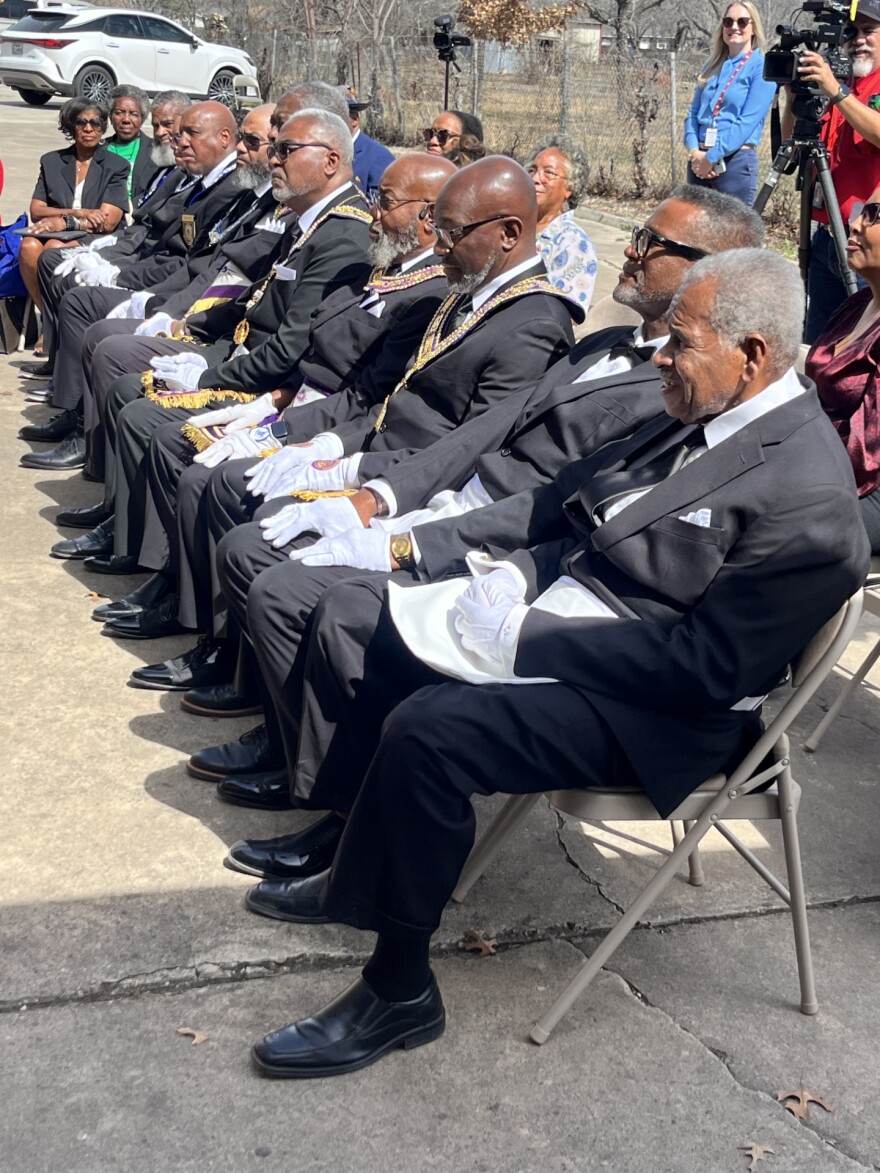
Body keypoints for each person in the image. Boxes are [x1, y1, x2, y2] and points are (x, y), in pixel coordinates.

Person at [233, 248, 868, 1078]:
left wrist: (525, 639)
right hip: (582, 627)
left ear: (753, 354)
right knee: (385, 631)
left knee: (434, 730)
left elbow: (707, 669)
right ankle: (357, 857)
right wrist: (511, 580)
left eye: (680, 343)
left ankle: (398, 990)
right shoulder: (701, 406)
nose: (660, 359)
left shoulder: (811, 501)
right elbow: (582, 524)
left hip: (667, 711)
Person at [198, 190, 765, 814]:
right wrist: (376, 495)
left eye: (650, 245)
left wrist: (412, 539)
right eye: (635, 234)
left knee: (298, 593)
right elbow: (484, 431)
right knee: (257, 545)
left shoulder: (681, 390)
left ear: (716, 268)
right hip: (448, 501)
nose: (628, 253)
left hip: (494, 537)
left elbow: (559, 502)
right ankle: (296, 743)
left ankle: (330, 785)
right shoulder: (602, 345)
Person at [20, 101, 242, 472]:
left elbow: (188, 263)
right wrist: (107, 257)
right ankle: (71, 400)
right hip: (159, 276)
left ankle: (83, 426)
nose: (173, 139)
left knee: (85, 306)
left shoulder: (230, 189)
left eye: (186, 132)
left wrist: (128, 286)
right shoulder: (183, 175)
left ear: (224, 139)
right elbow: (147, 231)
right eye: (171, 129)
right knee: (54, 264)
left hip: (178, 296)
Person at [781, 0, 880, 340]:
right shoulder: (839, 79)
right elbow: (791, 140)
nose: (859, 40)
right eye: (852, 32)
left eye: (870, 31)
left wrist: (835, 91)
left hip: (866, 241)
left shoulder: (848, 86)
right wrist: (794, 96)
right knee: (817, 340)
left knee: (861, 341)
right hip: (823, 235)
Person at [806, 187, 880, 551]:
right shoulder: (859, 304)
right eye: (859, 212)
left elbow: (865, 455)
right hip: (823, 462)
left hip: (866, 487)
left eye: (874, 214)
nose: (853, 224)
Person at [17, 98, 130, 330]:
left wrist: (64, 222)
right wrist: (78, 212)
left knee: (54, 249)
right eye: (81, 122)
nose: (89, 129)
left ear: (103, 126)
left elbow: (107, 222)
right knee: (28, 246)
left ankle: (60, 326)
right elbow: (37, 210)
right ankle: (51, 321)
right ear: (70, 126)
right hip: (57, 231)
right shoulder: (51, 161)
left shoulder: (115, 165)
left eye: (95, 123)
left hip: (97, 238)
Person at [684, 2, 775, 207]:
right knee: (694, 235)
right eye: (728, 22)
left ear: (753, 28)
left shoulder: (761, 67)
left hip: (734, 163)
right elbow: (693, 113)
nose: (734, 27)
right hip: (699, 161)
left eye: (742, 21)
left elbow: (747, 122)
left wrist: (713, 156)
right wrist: (694, 152)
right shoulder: (712, 65)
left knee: (732, 237)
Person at [525, 134, 598, 308]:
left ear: (569, 188)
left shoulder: (574, 244)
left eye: (548, 173)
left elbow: (560, 313)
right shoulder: (514, 226)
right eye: (532, 170)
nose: (535, 179)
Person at [104, 85, 155, 207]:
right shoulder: (98, 150)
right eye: (119, 113)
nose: (126, 119)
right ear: (110, 117)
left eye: (133, 114)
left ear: (142, 119)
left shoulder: (155, 151)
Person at [342, 88, 394, 201]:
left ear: (354, 119)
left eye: (337, 118)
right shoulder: (324, 153)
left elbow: (381, 208)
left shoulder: (378, 157)